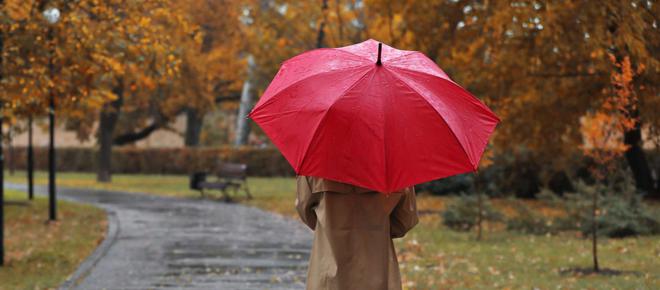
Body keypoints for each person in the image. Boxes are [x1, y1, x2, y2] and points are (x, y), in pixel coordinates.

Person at [295, 175, 419, 290]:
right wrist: (377, 229)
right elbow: (405, 220)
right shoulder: (395, 168)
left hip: (329, 266)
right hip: (378, 269)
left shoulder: (315, 164)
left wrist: (329, 226)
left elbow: (305, 210)